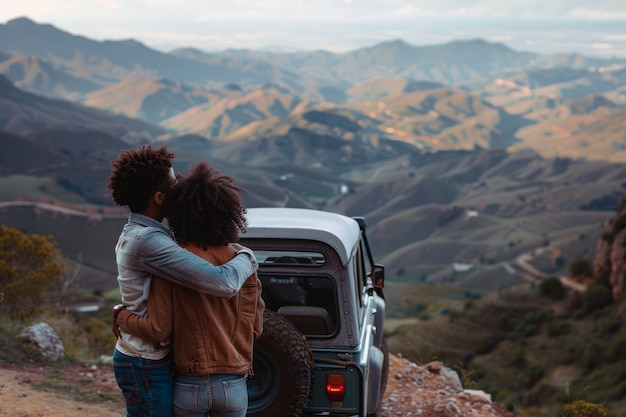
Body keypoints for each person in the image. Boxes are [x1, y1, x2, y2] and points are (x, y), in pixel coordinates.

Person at [107, 145, 258, 417]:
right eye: (174, 183)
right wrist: (247, 256)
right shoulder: (149, 241)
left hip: (163, 365)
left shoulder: (152, 236)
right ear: (159, 197)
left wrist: (122, 315)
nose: (180, 188)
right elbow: (224, 283)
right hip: (146, 360)